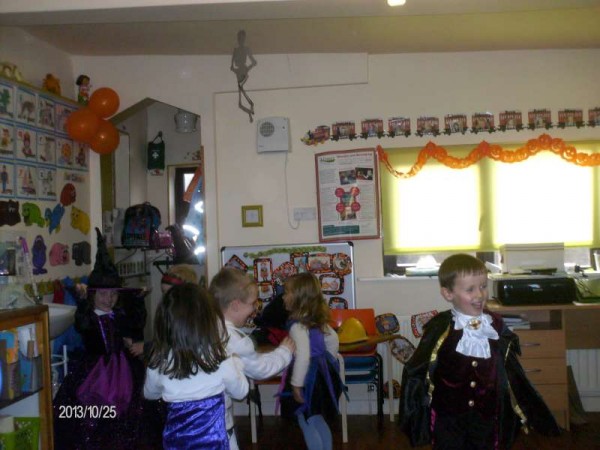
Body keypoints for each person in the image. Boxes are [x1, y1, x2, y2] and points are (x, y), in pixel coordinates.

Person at [399, 253, 560, 449]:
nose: (480, 295)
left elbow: (511, 373)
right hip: (448, 418)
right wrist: (416, 410)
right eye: (470, 289)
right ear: (448, 293)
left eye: (483, 286)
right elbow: (418, 370)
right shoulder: (440, 329)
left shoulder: (496, 327)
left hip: (486, 416)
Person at [53, 228, 159, 449]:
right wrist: (82, 302)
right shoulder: (89, 317)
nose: (108, 299)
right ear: (92, 294)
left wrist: (138, 302)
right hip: (94, 372)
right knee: (89, 415)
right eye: (102, 294)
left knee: (134, 412)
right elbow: (81, 325)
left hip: (125, 370)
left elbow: (137, 324)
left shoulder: (119, 315)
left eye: (113, 294)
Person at [144, 282, 249, 449]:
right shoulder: (219, 356)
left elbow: (149, 394)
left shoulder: (160, 360)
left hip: (177, 443)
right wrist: (237, 363)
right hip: (218, 441)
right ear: (208, 320)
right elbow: (241, 391)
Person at [209, 267, 295, 450]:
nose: (255, 309)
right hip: (218, 425)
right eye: (252, 303)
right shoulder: (234, 339)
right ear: (235, 305)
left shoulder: (204, 328)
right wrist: (285, 352)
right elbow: (260, 369)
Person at [280, 272, 345, 450]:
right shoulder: (318, 320)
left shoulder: (297, 325)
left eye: (286, 292)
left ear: (299, 297)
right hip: (321, 374)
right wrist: (327, 361)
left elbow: (303, 355)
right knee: (316, 418)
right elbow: (332, 340)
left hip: (307, 378)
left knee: (306, 419)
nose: (283, 297)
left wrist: (296, 384)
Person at [230, 29, 257, 122]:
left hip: (243, 72)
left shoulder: (247, 49)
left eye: (242, 38)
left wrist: (246, 69)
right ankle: (250, 112)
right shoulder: (235, 50)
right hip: (238, 74)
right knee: (240, 104)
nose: (240, 40)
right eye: (239, 38)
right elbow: (232, 66)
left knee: (241, 88)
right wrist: (235, 70)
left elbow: (254, 62)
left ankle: (251, 107)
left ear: (244, 39)